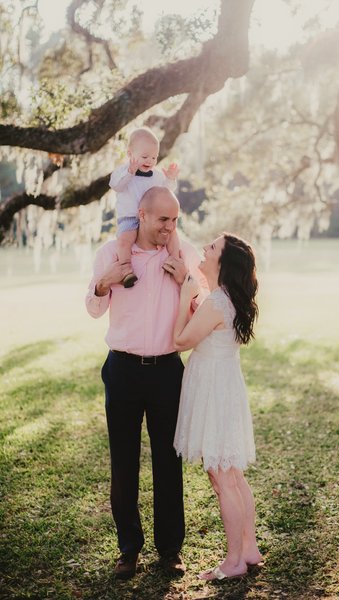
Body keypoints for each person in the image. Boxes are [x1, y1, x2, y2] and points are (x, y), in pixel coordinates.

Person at [85, 187, 206, 580]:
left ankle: (170, 549)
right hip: (121, 370)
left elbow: (202, 305)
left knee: (168, 462)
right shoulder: (112, 253)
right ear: (141, 214)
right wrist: (105, 281)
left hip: (168, 370)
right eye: (162, 220)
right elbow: (92, 306)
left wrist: (186, 279)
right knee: (123, 462)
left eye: (175, 220)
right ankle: (128, 549)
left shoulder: (182, 252)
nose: (170, 228)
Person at [173, 233, 263, 581]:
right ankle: (249, 548)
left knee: (224, 478)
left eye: (212, 248)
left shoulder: (215, 303)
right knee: (232, 475)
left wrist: (184, 298)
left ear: (222, 264)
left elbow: (180, 341)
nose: (205, 249)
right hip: (224, 388)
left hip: (214, 391)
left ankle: (234, 562)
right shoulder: (225, 300)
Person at [109, 126, 180, 288]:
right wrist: (130, 172)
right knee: (124, 241)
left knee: (172, 234)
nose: (149, 161)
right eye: (145, 156)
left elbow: (166, 193)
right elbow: (116, 186)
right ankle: (126, 269)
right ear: (129, 154)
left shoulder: (157, 175)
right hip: (130, 218)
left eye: (154, 157)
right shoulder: (122, 172)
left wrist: (170, 179)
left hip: (152, 220)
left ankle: (174, 260)